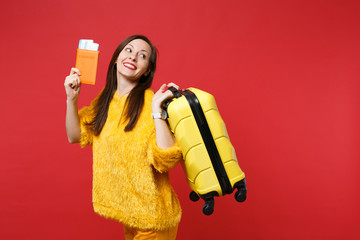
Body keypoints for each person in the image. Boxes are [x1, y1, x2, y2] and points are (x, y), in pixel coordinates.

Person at [64, 35, 183, 240]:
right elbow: (75, 136)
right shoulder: (105, 101)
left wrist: (157, 109)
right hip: (130, 218)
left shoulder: (150, 103)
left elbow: (166, 160)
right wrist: (71, 100)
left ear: (147, 70)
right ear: (117, 58)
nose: (133, 57)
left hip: (154, 220)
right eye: (128, 50)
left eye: (142, 55)